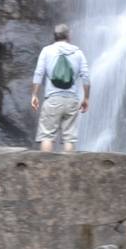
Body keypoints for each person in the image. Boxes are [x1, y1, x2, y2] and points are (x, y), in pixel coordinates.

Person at [31, 24, 90, 153]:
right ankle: (68, 170)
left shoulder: (46, 51)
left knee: (47, 136)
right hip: (71, 100)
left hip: (52, 99)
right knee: (69, 138)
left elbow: (38, 74)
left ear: (54, 37)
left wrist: (34, 95)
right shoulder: (78, 52)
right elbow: (85, 76)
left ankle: (45, 170)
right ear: (68, 36)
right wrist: (86, 98)